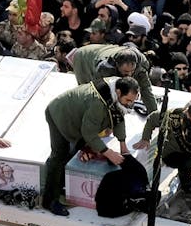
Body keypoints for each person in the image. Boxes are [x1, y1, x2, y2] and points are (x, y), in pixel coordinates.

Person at [42, 76, 140, 216]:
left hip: (81, 118)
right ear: (118, 93)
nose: (130, 104)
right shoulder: (98, 103)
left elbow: (118, 118)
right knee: (60, 155)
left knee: (81, 150)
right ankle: (50, 200)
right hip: (59, 114)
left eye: (133, 101)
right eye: (128, 100)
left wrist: (123, 147)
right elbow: (88, 133)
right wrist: (109, 153)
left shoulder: (117, 91)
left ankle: (65, 183)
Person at [69, 43, 159, 137]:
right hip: (84, 58)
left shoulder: (141, 66)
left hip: (103, 51)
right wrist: (110, 123)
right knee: (89, 92)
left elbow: (146, 91)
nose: (129, 75)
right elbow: (103, 96)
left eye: (132, 71)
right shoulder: (105, 69)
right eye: (125, 72)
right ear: (117, 66)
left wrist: (155, 117)